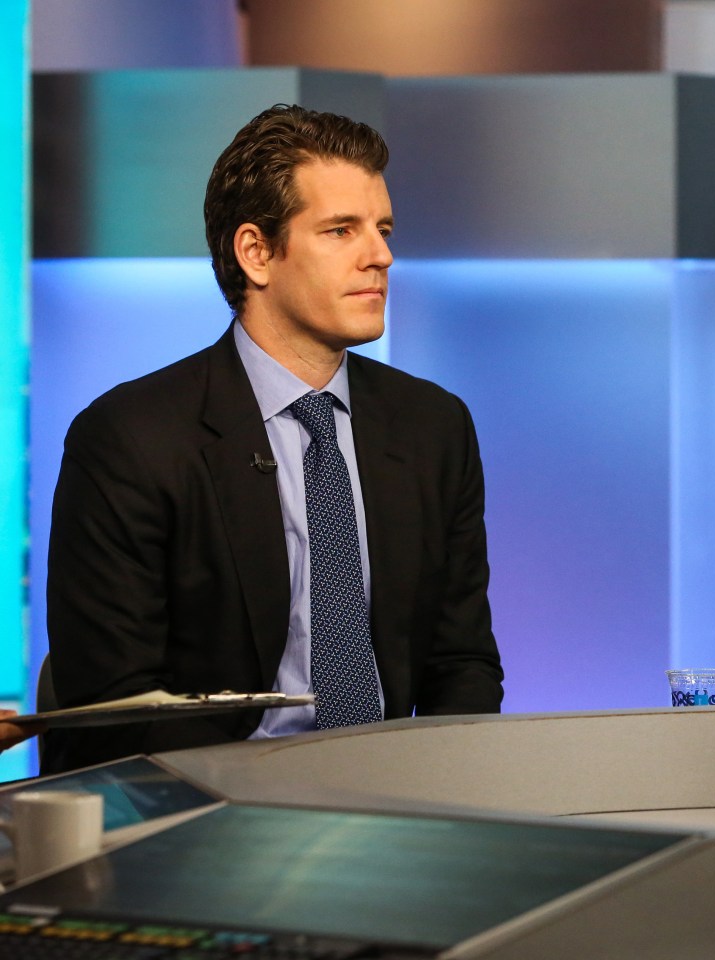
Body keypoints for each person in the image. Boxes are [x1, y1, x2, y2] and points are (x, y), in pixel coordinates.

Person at [43, 105, 503, 773]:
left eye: (383, 229)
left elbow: (461, 663)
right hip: (207, 812)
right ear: (256, 253)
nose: (381, 255)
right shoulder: (130, 439)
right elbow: (116, 709)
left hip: (397, 806)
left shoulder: (434, 426)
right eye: (341, 230)